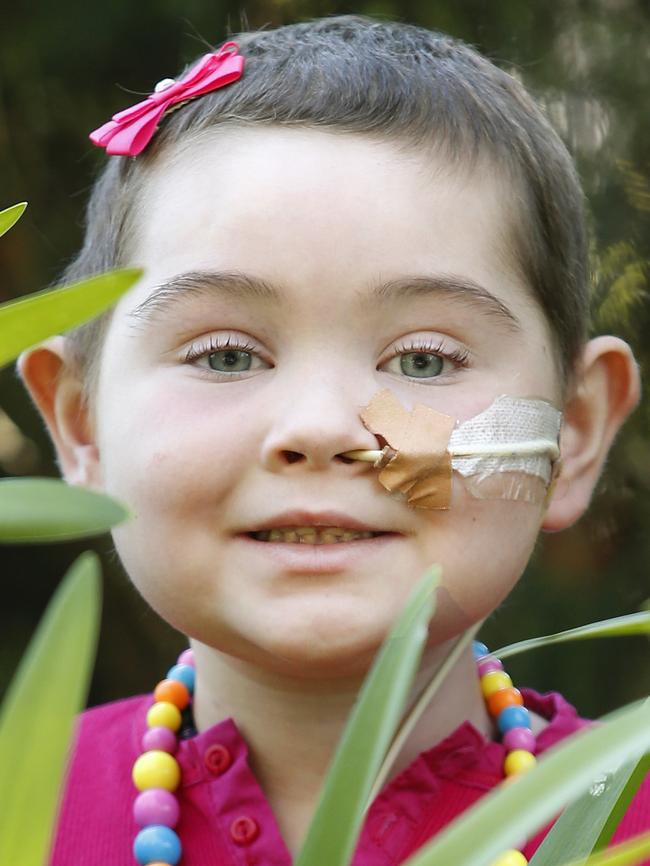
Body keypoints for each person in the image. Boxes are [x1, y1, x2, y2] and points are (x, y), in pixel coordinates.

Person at [16, 14, 648, 866]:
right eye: (227, 355)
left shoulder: (625, 824)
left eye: (423, 359)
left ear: (571, 436)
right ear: (81, 424)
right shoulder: (22, 810)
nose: (318, 428)